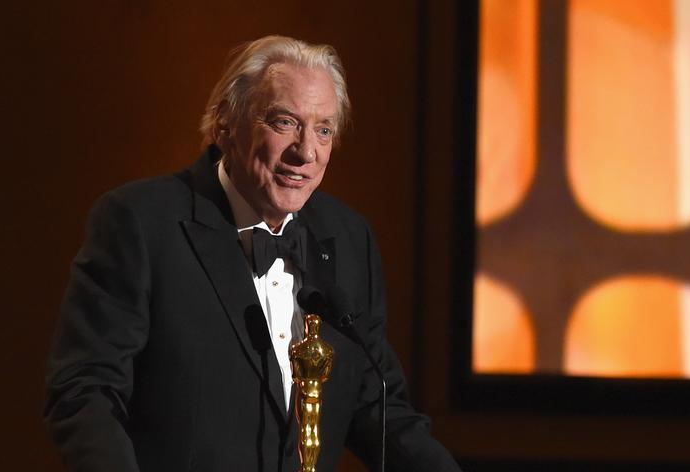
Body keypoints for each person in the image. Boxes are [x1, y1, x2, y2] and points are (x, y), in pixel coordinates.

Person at [44, 35, 462, 472]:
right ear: (226, 122)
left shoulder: (349, 237)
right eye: (285, 122)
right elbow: (84, 392)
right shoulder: (141, 223)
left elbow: (377, 407)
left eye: (323, 129)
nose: (306, 152)